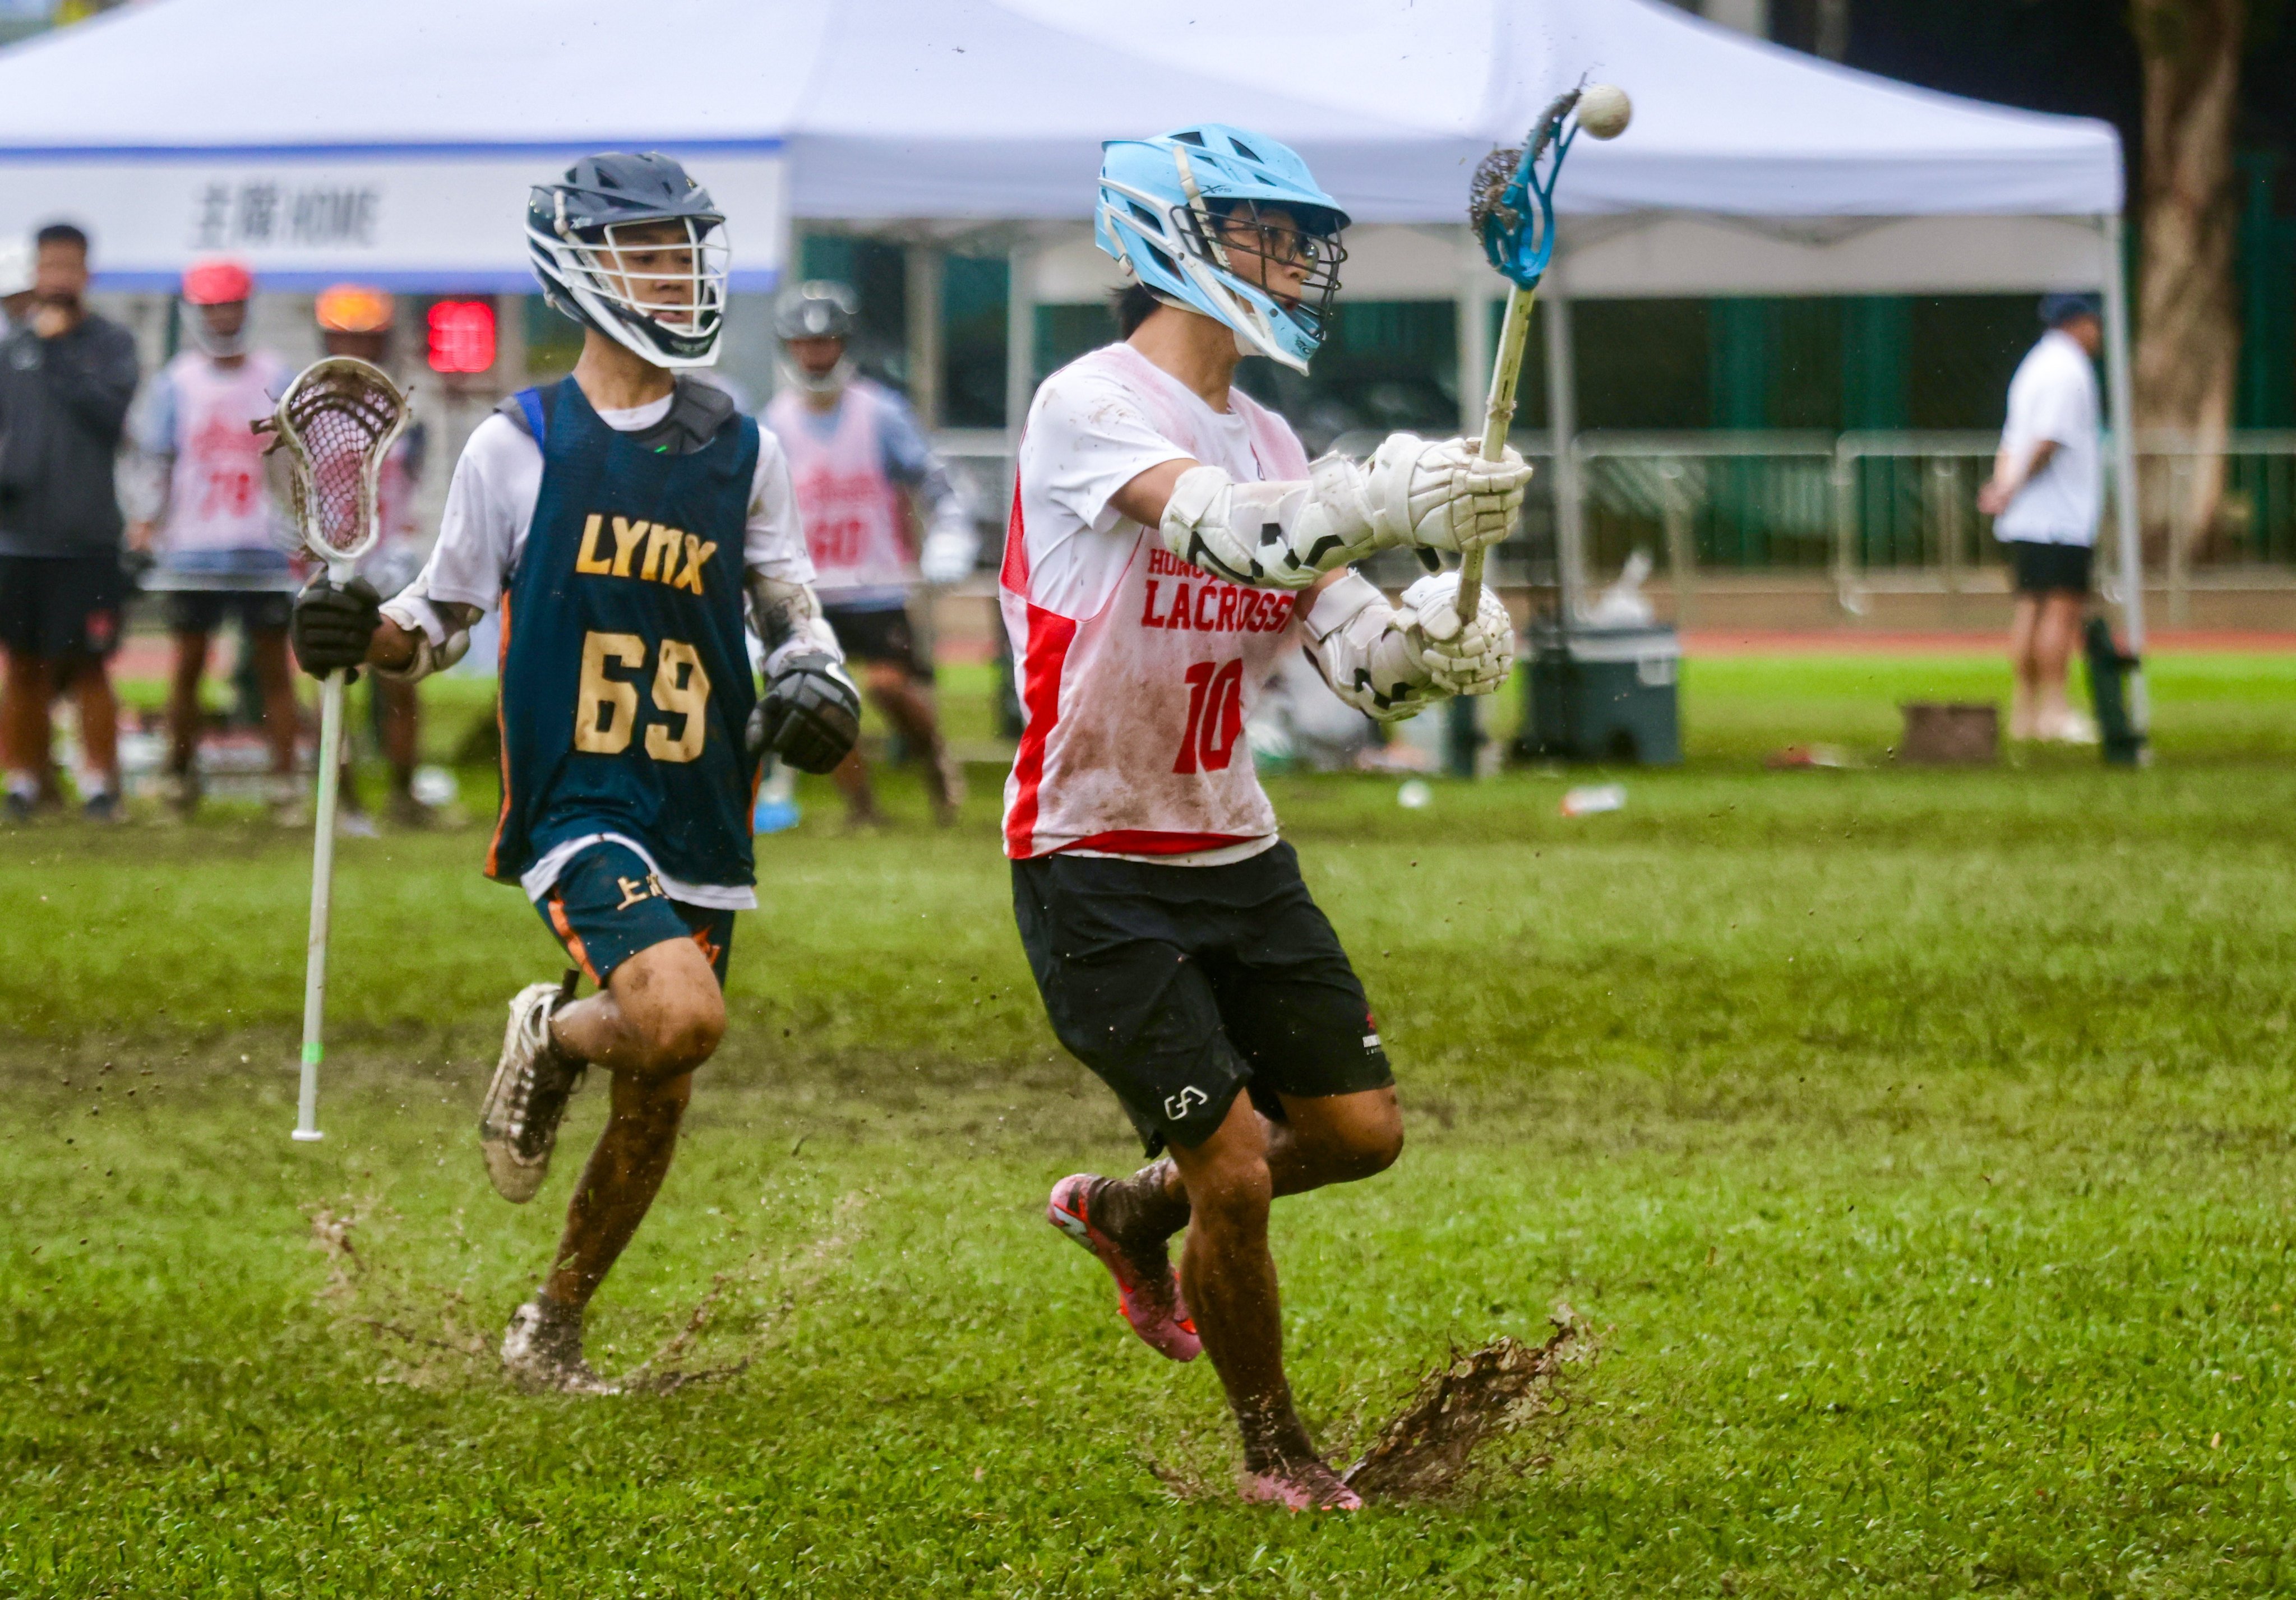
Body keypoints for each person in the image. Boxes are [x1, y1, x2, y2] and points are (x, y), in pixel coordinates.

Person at [288, 152, 861, 1394]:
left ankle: (551, 1318)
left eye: (684, 247)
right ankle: (547, 1032)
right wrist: (357, 633)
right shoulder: (520, 443)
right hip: (580, 797)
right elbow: (434, 617)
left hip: (697, 797)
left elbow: (791, 610)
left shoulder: (742, 447)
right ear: (581, 267)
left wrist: (822, 678)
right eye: (648, 247)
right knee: (679, 1017)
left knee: (660, 1083)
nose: (678, 268)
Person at [1014, 126, 1524, 1510]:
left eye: (1302, 238)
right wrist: (1382, 493)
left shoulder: (1273, 432)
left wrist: (1438, 638)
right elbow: (1240, 535)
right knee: (1235, 1161)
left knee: (1360, 1131)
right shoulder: (1089, 403)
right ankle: (1275, 1455)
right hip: (1095, 857)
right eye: (1267, 233)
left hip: (1235, 845)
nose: (1298, 261)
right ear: (1168, 239)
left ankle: (1128, 1207)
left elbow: (1352, 661)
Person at [764, 281, 975, 827]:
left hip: (876, 585)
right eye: (805, 344)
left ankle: (936, 764)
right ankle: (863, 809)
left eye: (826, 341)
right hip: (811, 590)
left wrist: (949, 535)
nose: (816, 354)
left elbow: (934, 482)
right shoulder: (774, 423)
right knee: (821, 703)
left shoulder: (881, 413)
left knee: (888, 685)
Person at [130, 257, 304, 820]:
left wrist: (300, 528)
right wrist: (146, 522)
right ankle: (178, 777)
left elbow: (295, 462)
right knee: (187, 665)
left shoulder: (275, 375)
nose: (223, 317)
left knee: (275, 667)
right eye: (212, 307)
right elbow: (158, 459)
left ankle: (286, 783)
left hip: (261, 545)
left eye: (231, 305)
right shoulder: (176, 382)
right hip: (194, 546)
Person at [0, 221, 140, 822]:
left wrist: (59, 355)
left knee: (89, 662)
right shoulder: (12, 349)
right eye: (47, 265)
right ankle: (25, 780)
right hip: (19, 534)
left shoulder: (110, 344)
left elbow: (111, 419)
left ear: (87, 273)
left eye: (68, 266)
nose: (56, 278)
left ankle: (99, 783)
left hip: (86, 534)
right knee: (24, 662)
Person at [312, 283, 442, 830]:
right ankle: (341, 799)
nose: (357, 351)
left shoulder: (408, 404)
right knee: (334, 684)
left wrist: (410, 545)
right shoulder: (306, 404)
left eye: (367, 339)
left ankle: (404, 790)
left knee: (399, 676)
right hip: (330, 556)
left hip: (390, 554)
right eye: (347, 340)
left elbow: (419, 479)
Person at [1978, 292, 2104, 744]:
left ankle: (2024, 713)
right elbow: (2047, 440)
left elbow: (2013, 438)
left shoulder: (2032, 365)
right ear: (2080, 322)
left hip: (2030, 514)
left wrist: (2001, 487)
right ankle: (2053, 712)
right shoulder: (2066, 369)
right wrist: (2010, 488)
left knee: (2029, 609)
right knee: (2060, 611)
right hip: (2060, 515)